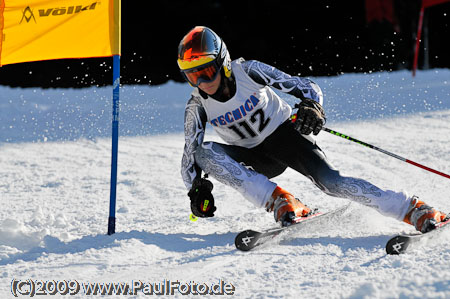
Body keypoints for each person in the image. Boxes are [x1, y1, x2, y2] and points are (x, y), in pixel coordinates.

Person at [177, 26, 446, 232]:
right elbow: (190, 155)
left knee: (330, 182)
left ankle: (415, 209)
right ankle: (281, 200)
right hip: (255, 159)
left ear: (223, 62)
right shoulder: (197, 106)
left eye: (207, 72)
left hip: (286, 136)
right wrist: (196, 188)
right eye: (192, 76)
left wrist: (312, 106)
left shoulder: (249, 71)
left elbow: (305, 86)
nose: (202, 81)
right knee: (204, 152)